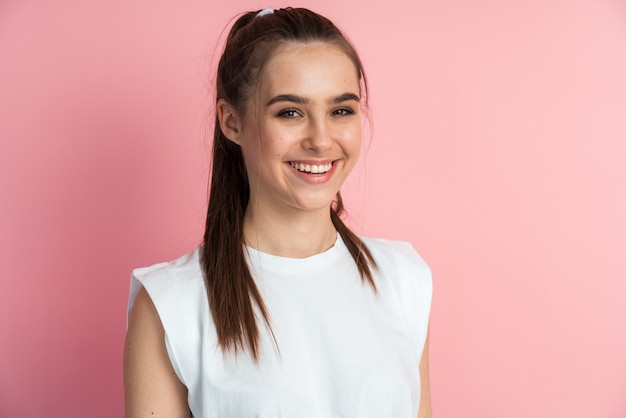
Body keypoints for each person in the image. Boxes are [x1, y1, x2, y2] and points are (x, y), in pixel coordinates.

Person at [124, 7, 432, 418]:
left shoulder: (403, 278)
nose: (321, 140)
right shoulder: (172, 305)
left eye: (341, 110)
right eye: (290, 112)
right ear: (232, 122)